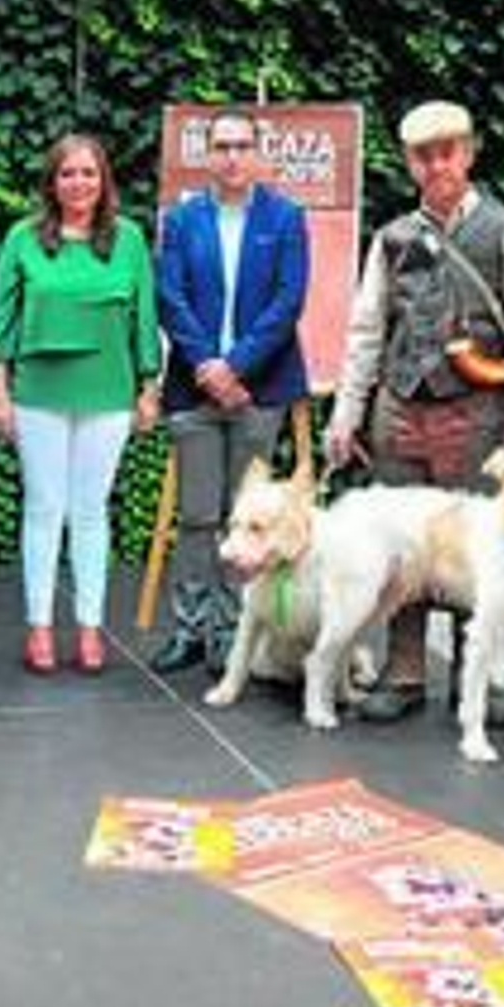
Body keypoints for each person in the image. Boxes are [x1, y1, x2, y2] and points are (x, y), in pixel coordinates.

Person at [325, 100, 504, 721]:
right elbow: (366, 331)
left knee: (478, 552)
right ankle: (403, 674)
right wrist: (347, 413)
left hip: (480, 414)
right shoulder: (392, 238)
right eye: (423, 155)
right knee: (405, 548)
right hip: (399, 413)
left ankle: (469, 682)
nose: (436, 165)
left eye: (447, 151)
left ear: (469, 152)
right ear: (408, 162)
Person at [0, 133, 162, 675]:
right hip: (38, 392)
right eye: (67, 174)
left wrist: (148, 387)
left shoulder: (128, 239)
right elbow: (1, 321)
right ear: (52, 182)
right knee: (43, 508)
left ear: (103, 180)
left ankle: (89, 628)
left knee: (90, 511)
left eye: (88, 173)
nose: (78, 183)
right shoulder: (22, 238)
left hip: (108, 393)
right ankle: (39, 626)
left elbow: (144, 318)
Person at [150, 108, 310, 675]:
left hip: (258, 392)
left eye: (243, 145)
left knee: (249, 519)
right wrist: (209, 368)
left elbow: (287, 303)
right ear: (207, 154)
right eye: (222, 146)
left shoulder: (286, 218)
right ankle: (191, 629)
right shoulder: (184, 219)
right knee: (197, 516)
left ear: (259, 154)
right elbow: (170, 298)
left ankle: (235, 632)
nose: (233, 156)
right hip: (194, 392)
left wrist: (237, 367)